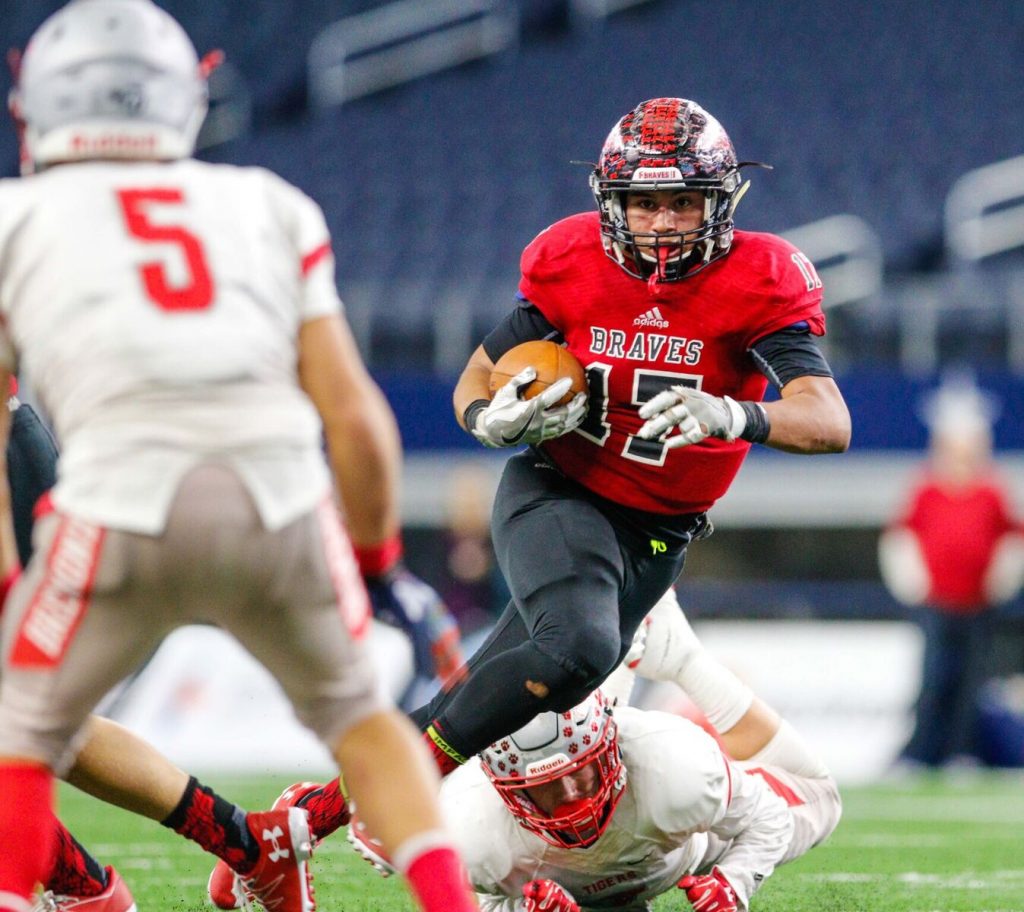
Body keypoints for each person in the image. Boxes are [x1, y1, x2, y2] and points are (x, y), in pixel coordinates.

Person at [0, 3, 478, 912]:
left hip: (115, 507)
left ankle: (64, 889)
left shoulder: (13, 216)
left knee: (19, 732)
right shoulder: (270, 202)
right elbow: (357, 417)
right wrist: (381, 572)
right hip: (282, 505)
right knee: (366, 728)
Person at [414, 96, 851, 783]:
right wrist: (482, 419)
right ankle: (401, 786)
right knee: (577, 649)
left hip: (660, 534)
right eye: (644, 204)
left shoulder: (758, 277)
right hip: (562, 490)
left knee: (542, 680)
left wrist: (734, 415)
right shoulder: (572, 257)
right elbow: (478, 373)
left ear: (721, 201)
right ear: (611, 201)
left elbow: (829, 422)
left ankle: (325, 804)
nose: (664, 223)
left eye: (684, 202)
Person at [451, 679, 841, 912]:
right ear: (506, 790)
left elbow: (767, 816)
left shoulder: (673, 764)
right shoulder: (473, 825)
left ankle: (681, 655)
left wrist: (734, 882)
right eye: (547, 787)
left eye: (581, 773)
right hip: (572, 884)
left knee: (821, 802)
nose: (571, 797)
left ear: (609, 748)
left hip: (690, 853)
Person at [879, 376, 1024, 770]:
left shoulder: (992, 490)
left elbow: (1012, 538)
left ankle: (962, 753)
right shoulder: (926, 488)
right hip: (936, 602)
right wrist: (912, 580)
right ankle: (920, 753)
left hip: (978, 602)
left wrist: (1003, 576)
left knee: (970, 684)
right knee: (933, 680)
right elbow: (902, 536)